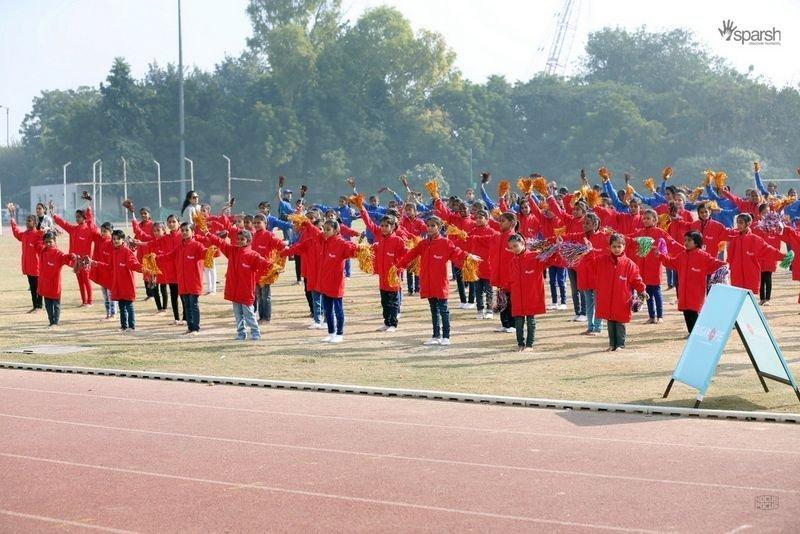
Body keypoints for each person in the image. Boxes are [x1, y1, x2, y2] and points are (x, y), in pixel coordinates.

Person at [397, 216, 476, 346]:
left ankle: (446, 336)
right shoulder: (423, 244)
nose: (430, 228)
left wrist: (469, 256)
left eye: (433, 225)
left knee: (443, 309)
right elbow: (411, 255)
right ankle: (436, 335)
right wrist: (399, 265)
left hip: (440, 283)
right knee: (433, 309)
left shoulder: (445, 243)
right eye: (428, 225)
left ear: (439, 227)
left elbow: (457, 252)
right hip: (427, 282)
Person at [206, 229, 272, 341]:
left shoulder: (253, 255)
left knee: (249, 314)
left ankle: (255, 333)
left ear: (249, 241)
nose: (240, 241)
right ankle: (241, 333)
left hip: (246, 291)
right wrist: (208, 234)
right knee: (238, 315)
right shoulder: (232, 251)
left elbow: (264, 263)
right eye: (238, 239)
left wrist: (274, 267)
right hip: (234, 290)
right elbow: (220, 242)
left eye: (242, 239)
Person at [588, 234, 647, 351]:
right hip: (607, 297)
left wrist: (642, 290)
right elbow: (591, 263)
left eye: (619, 246)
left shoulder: (629, 264)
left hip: (622, 298)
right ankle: (612, 344)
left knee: (620, 322)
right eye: (614, 246)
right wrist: (589, 251)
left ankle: (620, 344)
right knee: (610, 321)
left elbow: (636, 279)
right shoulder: (602, 261)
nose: (616, 249)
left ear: (624, 247)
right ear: (609, 247)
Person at [660, 232, 726, 334]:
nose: (686, 242)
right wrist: (661, 256)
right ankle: (691, 333)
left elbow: (716, 263)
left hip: (696, 291)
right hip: (684, 291)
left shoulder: (703, 256)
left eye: (689, 240)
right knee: (686, 312)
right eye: (685, 240)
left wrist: (726, 264)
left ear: (696, 242)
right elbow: (671, 263)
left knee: (694, 312)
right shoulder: (682, 255)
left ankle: (697, 333)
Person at [156, 222, 209, 334]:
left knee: (193, 305)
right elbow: (168, 256)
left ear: (192, 232)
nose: (184, 233)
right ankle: (190, 327)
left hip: (193, 282)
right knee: (187, 305)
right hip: (183, 282)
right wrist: (155, 258)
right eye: (183, 230)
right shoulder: (179, 247)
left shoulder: (197, 246)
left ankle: (196, 328)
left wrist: (214, 246)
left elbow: (209, 254)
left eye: (187, 230)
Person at [359, 205, 406, 332]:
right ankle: (386, 322)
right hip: (382, 277)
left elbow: (405, 257)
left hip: (393, 277)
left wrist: (397, 269)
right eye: (382, 225)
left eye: (387, 226)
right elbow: (369, 223)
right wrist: (361, 208)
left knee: (393, 301)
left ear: (393, 227)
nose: (384, 228)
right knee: (384, 301)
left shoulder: (398, 241)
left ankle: (393, 324)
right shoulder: (380, 238)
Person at [89, 230, 143, 332]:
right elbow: (109, 267)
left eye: (118, 239)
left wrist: (144, 269)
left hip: (127, 284)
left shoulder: (127, 252)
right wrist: (95, 263)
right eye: (114, 239)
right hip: (117, 284)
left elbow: (134, 265)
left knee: (129, 305)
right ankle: (124, 326)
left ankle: (131, 326)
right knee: (122, 306)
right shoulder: (113, 252)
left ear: (123, 240)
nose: (116, 241)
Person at [507, 234, 550, 351]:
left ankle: (529, 344)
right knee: (519, 321)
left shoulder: (535, 256)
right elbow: (511, 280)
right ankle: (520, 343)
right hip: (517, 296)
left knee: (531, 320)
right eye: (511, 247)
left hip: (531, 295)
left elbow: (550, 260)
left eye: (516, 246)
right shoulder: (512, 261)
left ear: (523, 243)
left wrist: (556, 247)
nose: (514, 249)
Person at [50, 198, 95, 306]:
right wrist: (53, 213)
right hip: (76, 261)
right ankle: (84, 301)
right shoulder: (73, 229)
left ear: (84, 218)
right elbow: (63, 223)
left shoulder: (89, 229)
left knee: (86, 281)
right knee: (80, 282)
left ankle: (90, 302)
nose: (77, 219)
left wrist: (89, 207)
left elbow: (91, 220)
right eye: (76, 217)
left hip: (85, 261)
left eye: (79, 217)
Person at [726, 213, 785, 295]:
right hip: (736, 273)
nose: (738, 225)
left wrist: (783, 257)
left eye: (741, 222)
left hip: (750, 273)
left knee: (749, 297)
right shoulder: (733, 238)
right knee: (737, 296)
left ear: (748, 223)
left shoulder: (755, 239)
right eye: (738, 222)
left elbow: (768, 250)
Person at [35, 232, 77, 327]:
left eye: (50, 242)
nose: (48, 244)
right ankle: (51, 321)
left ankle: (56, 322)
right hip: (44, 284)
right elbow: (37, 243)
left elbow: (66, 258)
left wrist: (72, 256)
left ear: (55, 241)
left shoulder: (58, 254)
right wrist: (41, 232)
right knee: (48, 305)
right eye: (46, 242)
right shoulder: (42, 251)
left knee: (56, 304)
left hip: (54, 284)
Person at [251, 213, 287, 324]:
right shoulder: (254, 235)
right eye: (255, 223)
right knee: (259, 295)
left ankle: (266, 318)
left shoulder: (269, 235)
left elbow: (283, 247)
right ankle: (261, 317)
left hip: (266, 272)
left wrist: (278, 265)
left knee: (265, 296)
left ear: (265, 224)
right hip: (256, 271)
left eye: (259, 223)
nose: (256, 225)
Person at [8, 204, 44, 313]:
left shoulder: (38, 234)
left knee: (38, 288)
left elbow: (43, 242)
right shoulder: (24, 234)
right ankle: (35, 306)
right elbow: (16, 232)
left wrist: (43, 232)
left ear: (35, 223)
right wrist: (12, 219)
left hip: (36, 266)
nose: (27, 222)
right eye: (27, 221)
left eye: (30, 221)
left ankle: (39, 306)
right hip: (28, 266)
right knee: (32, 288)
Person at [90, 222, 116, 320]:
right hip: (102, 272)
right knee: (105, 296)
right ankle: (108, 314)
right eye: (102, 231)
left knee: (111, 295)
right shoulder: (99, 240)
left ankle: (113, 314)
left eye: (105, 231)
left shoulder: (113, 243)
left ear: (111, 232)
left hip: (110, 273)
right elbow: (92, 228)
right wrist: (89, 213)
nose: (102, 233)